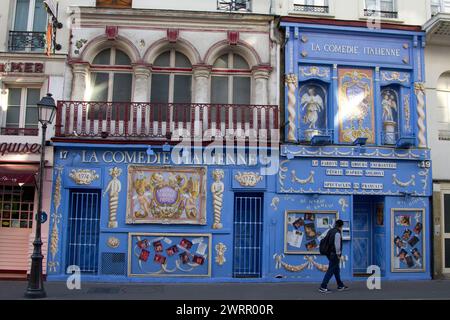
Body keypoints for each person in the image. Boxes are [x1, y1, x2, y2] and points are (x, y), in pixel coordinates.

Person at [319, 220, 349, 293]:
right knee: (331, 270)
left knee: (336, 269)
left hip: (329, 253)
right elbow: (337, 246)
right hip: (334, 254)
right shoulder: (337, 233)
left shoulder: (331, 231)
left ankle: (340, 285)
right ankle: (323, 286)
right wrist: (338, 255)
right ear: (341, 226)